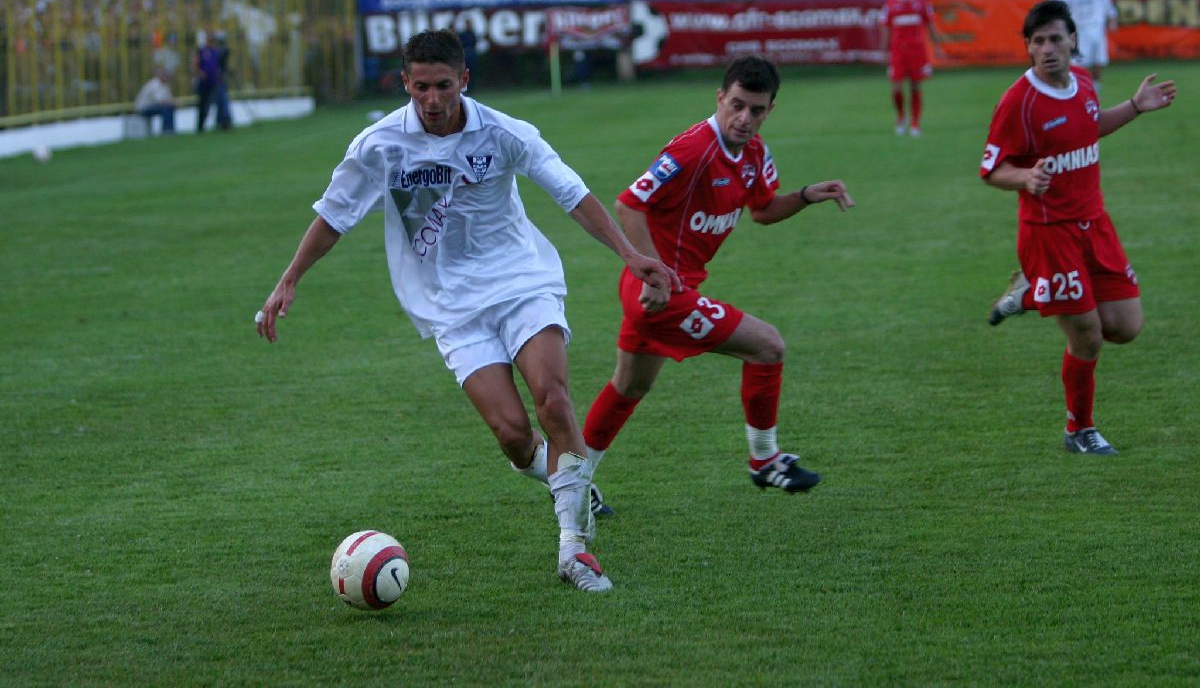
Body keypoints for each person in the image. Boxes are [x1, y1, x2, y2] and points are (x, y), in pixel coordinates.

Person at [255, 29, 680, 592]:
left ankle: (574, 551)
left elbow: (570, 192)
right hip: (450, 306)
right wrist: (289, 279)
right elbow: (335, 215)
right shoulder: (379, 145)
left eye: (444, 86)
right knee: (511, 433)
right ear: (405, 83)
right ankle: (566, 480)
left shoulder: (504, 132)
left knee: (553, 398)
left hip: (521, 281)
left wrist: (630, 255)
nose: (433, 100)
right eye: (421, 87)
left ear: (464, 81)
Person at [581, 55, 855, 501]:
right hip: (659, 293)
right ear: (720, 98)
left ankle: (573, 482)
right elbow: (629, 204)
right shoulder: (692, 150)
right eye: (737, 105)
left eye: (757, 110)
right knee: (768, 346)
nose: (745, 119)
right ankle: (765, 460)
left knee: (629, 386)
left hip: (663, 290)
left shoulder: (754, 153)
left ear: (770, 110)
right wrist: (654, 274)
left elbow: (763, 210)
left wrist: (807, 196)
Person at [981, 0, 1176, 455]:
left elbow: (1090, 126)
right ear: (1028, 48)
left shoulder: (1085, 83)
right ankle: (1079, 429)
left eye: (1055, 38)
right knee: (1087, 333)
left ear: (1073, 41)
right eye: (1038, 41)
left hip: (1095, 224)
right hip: (1049, 232)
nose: (1048, 48)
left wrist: (1134, 106)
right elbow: (990, 169)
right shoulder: (1019, 102)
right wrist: (1025, 177)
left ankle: (1031, 293)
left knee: (1125, 327)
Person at [882, 0, 941, 137]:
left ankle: (915, 123)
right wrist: (884, 50)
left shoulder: (922, 1)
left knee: (915, 85)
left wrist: (937, 45)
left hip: (917, 50)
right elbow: (885, 27)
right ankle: (901, 117)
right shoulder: (891, 3)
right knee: (897, 87)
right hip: (898, 51)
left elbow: (930, 24)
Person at [1055, 0, 1118, 94]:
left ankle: (1095, 88)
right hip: (1080, 30)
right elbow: (1057, 2)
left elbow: (1110, 9)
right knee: (1080, 61)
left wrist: (1112, 20)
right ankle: (1077, 87)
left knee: (1099, 60)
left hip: (1098, 29)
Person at [194, 30, 231, 132]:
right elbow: (196, 63)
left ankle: (224, 123)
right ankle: (200, 126)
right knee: (203, 105)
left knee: (221, 101)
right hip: (204, 82)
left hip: (215, 82)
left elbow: (219, 65)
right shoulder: (201, 51)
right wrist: (200, 73)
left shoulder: (215, 51)